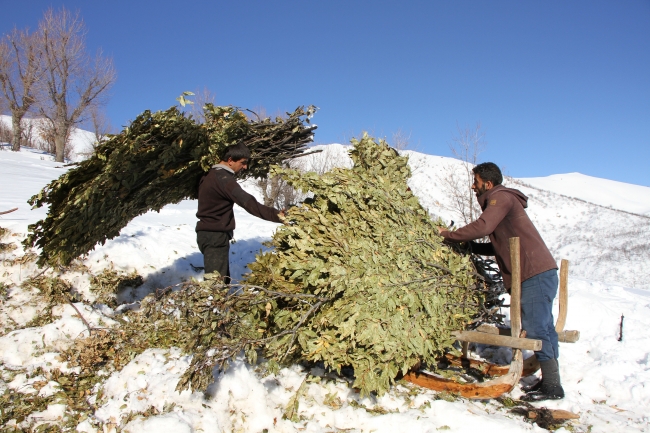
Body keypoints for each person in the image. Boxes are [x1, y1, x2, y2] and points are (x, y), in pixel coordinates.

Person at [438, 162, 564, 402]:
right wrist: (468, 245)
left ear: (488, 183)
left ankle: (553, 386)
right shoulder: (501, 200)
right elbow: (496, 244)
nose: (472, 186)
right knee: (545, 328)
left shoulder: (501, 197)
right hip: (538, 272)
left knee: (538, 328)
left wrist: (449, 235)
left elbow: (483, 226)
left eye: (475, 182)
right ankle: (551, 382)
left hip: (533, 273)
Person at [196, 143, 284, 283]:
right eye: (243, 163)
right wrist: (277, 215)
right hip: (215, 237)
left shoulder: (208, 175)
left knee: (221, 280)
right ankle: (212, 305)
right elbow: (248, 203)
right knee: (215, 285)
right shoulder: (224, 180)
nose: (245, 167)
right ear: (230, 160)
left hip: (206, 235)